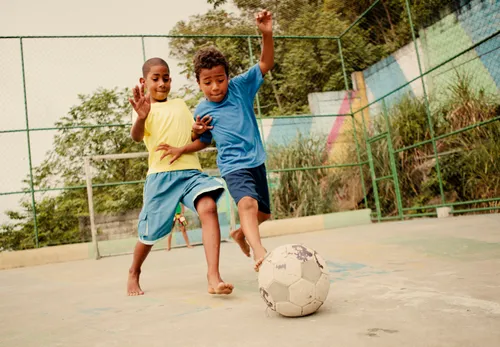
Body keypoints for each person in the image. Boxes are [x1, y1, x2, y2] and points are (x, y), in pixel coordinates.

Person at [126, 57, 233, 296]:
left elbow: (196, 141)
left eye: (166, 78)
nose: (162, 83)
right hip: (161, 177)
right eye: (155, 79)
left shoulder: (180, 105)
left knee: (208, 207)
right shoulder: (143, 108)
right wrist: (142, 117)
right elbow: (136, 136)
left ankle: (213, 276)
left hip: (191, 173)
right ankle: (134, 271)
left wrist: (198, 131)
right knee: (149, 234)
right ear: (144, 82)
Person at [191, 10, 274, 271]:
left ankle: (240, 234)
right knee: (247, 204)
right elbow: (202, 140)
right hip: (233, 166)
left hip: (256, 159)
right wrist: (193, 132)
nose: (215, 87)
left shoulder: (240, 87)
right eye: (208, 82)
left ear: (228, 76)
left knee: (264, 214)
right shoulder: (201, 111)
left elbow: (265, 63)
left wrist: (266, 34)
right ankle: (260, 252)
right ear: (199, 83)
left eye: (220, 79)